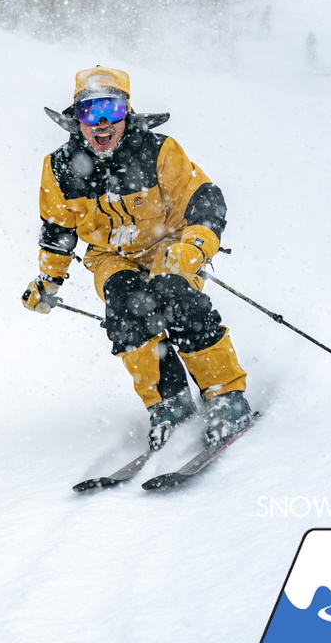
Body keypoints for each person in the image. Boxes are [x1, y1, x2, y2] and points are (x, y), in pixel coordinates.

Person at [21, 66, 254, 449]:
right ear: (74, 118)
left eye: (110, 110)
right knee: (126, 312)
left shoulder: (159, 151)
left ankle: (226, 397)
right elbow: (58, 230)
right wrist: (47, 281)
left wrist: (190, 251)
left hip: (171, 243)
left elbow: (205, 202)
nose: (100, 123)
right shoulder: (60, 168)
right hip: (111, 256)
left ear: (126, 113)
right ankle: (169, 404)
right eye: (89, 111)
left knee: (178, 301)